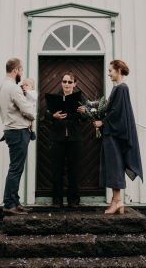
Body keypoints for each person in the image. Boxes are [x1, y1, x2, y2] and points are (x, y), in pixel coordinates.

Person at [93, 59, 143, 215]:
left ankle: (117, 201)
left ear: (119, 70)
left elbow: (118, 113)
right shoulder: (118, 88)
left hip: (114, 135)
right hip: (113, 133)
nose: (108, 74)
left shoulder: (121, 89)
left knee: (115, 166)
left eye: (110, 71)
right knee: (114, 166)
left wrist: (103, 122)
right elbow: (113, 110)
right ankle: (117, 201)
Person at [0, 58, 35, 215]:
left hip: (11, 130)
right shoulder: (13, 88)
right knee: (15, 168)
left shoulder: (3, 87)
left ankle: (15, 201)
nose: (21, 73)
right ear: (15, 70)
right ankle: (9, 205)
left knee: (16, 168)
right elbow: (27, 110)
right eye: (20, 70)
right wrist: (33, 112)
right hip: (18, 131)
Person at [45, 71, 85, 208]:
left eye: (69, 82)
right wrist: (53, 116)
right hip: (57, 139)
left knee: (74, 171)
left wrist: (84, 112)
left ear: (74, 84)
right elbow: (46, 117)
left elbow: (85, 119)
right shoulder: (55, 99)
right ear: (61, 83)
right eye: (64, 81)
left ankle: (73, 200)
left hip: (74, 139)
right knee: (57, 170)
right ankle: (57, 200)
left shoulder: (80, 99)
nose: (66, 84)